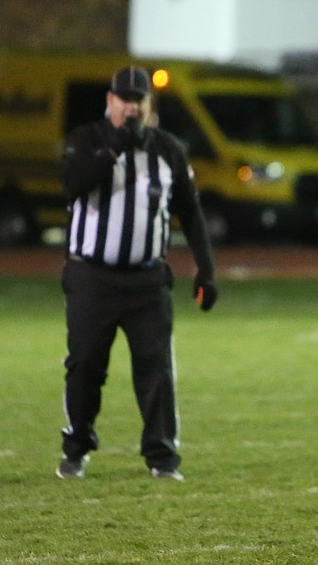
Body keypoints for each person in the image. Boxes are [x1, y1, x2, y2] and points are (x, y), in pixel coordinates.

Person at [57, 65, 217, 481]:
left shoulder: (168, 149)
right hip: (92, 275)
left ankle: (162, 458)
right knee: (86, 366)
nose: (131, 107)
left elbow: (191, 213)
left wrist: (206, 269)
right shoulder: (85, 140)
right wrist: (116, 148)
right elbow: (73, 185)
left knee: (156, 369)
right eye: (124, 99)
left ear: (149, 105)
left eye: (138, 100)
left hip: (147, 279)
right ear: (110, 101)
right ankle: (75, 447)